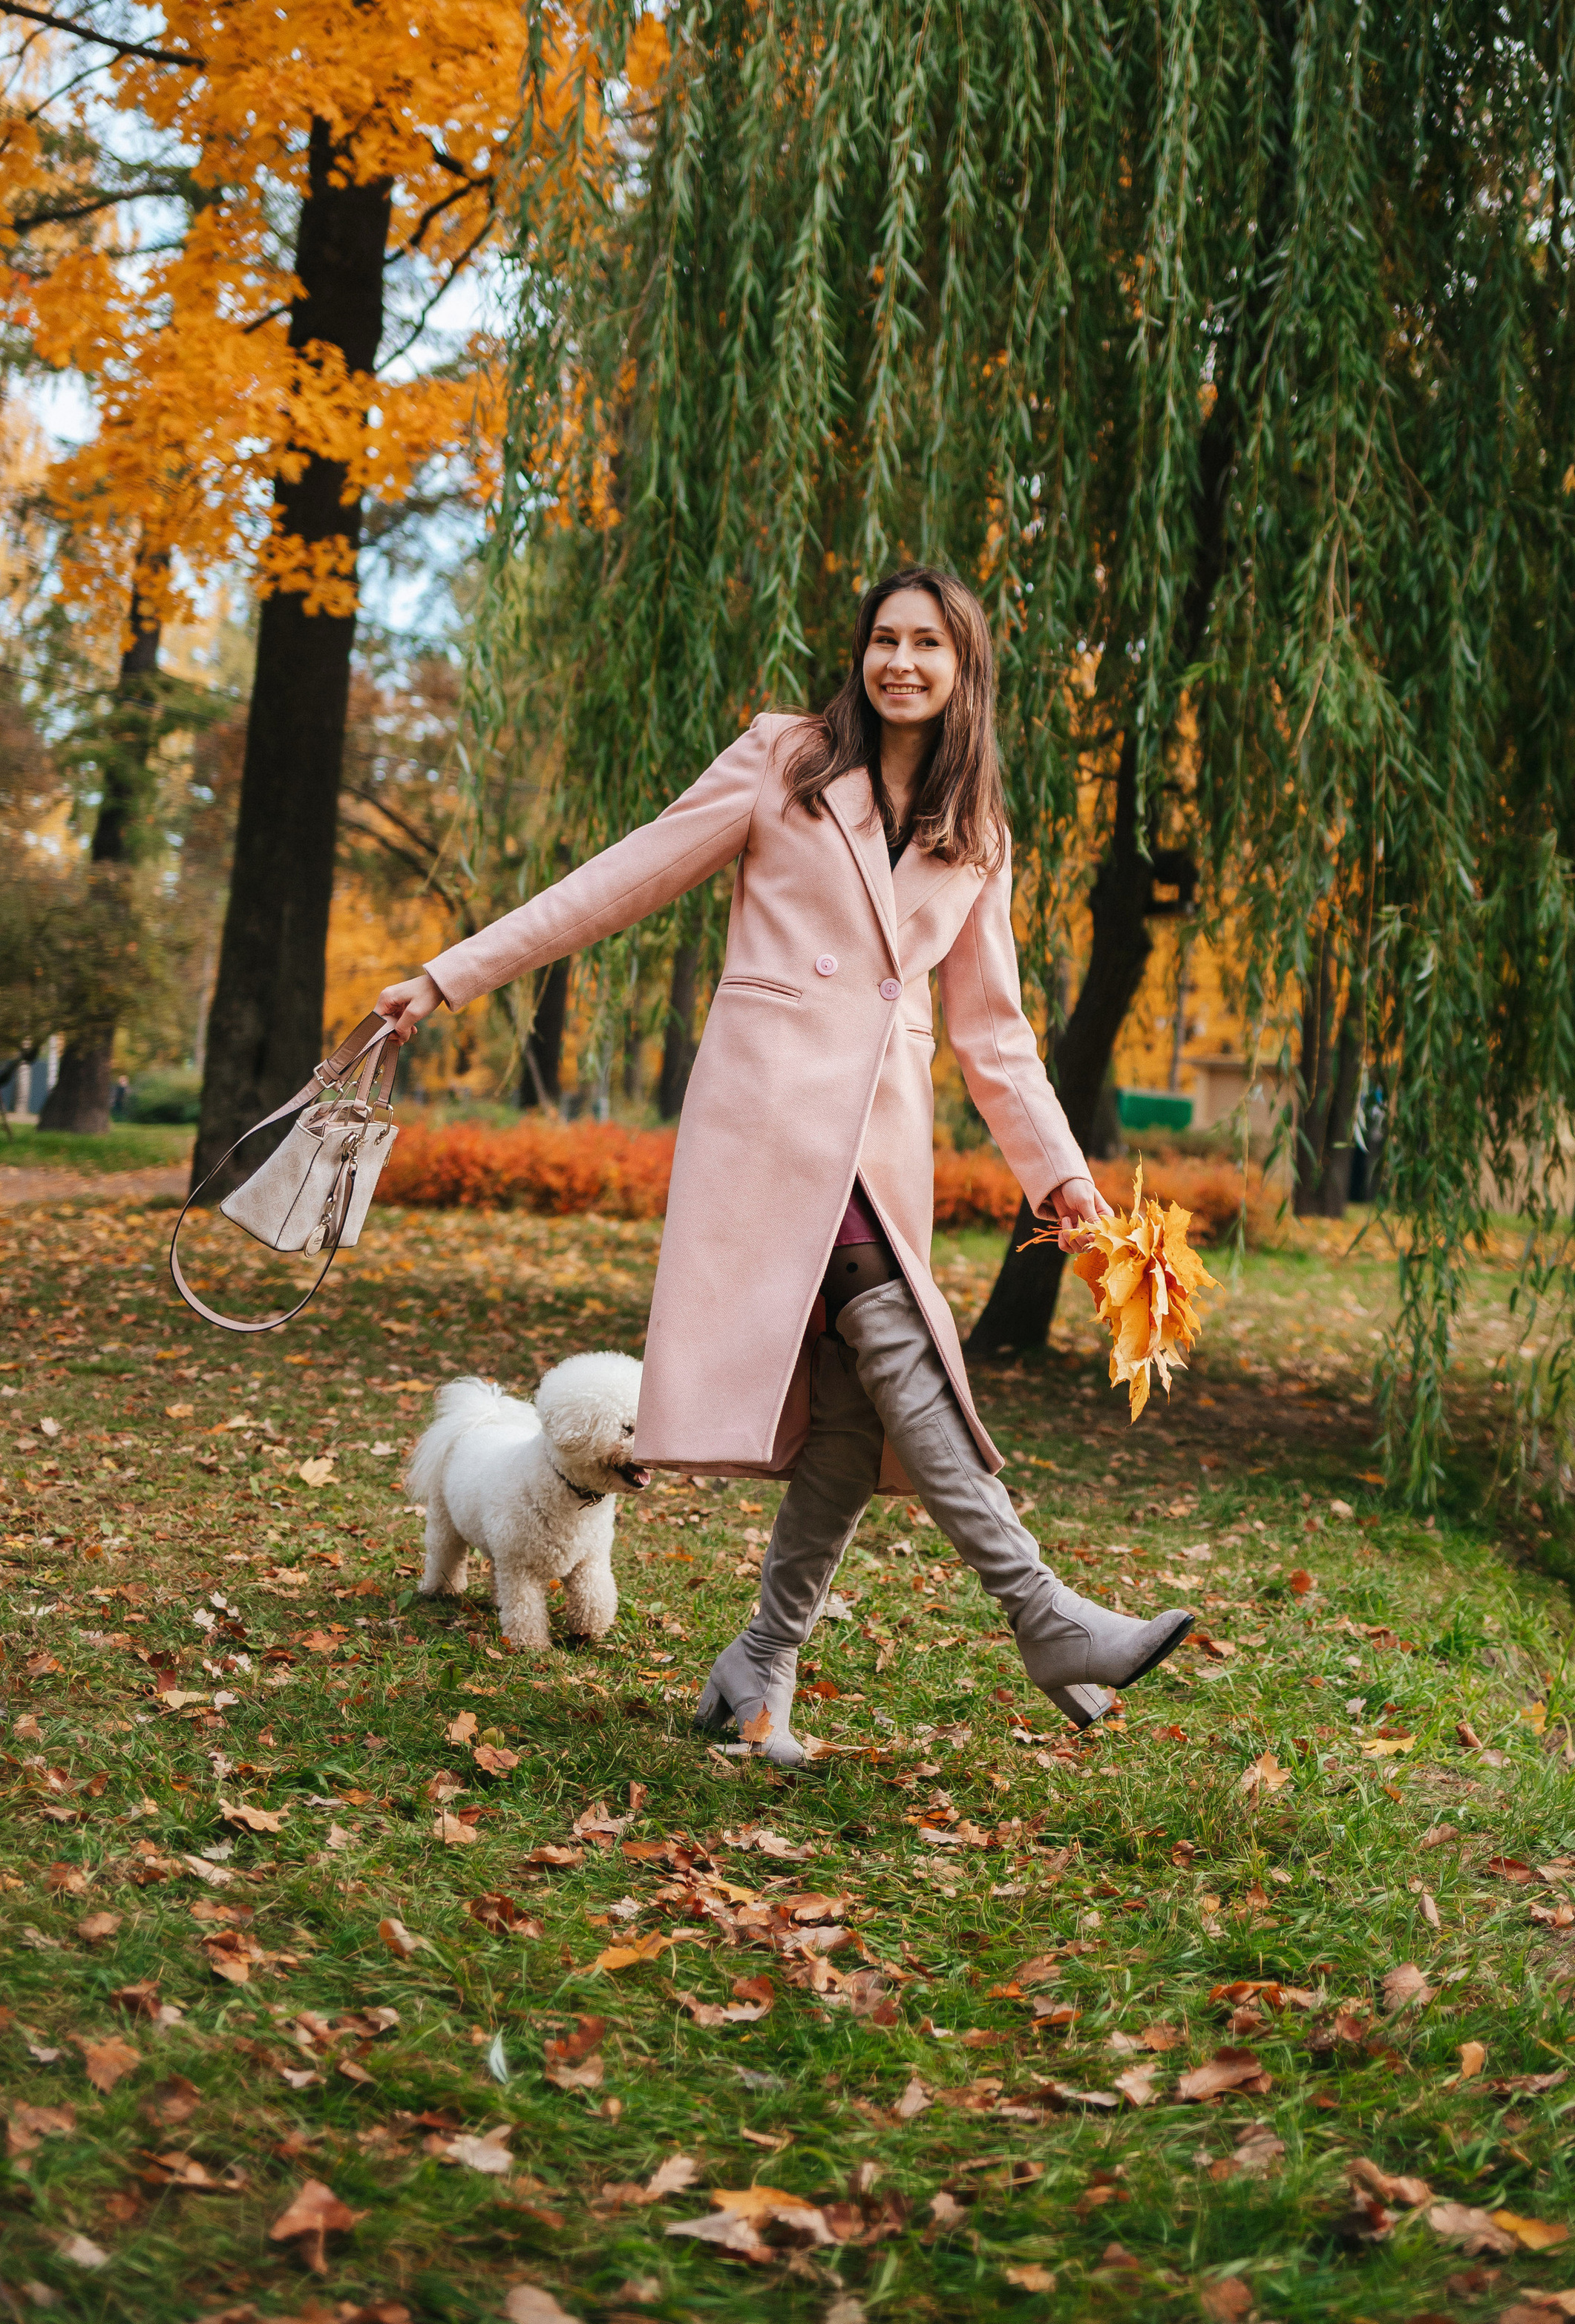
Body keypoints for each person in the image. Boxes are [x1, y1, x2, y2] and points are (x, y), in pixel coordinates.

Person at [376, 566, 1194, 1762]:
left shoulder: (977, 833)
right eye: (882, 640)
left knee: (857, 1424)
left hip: (879, 1144)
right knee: (906, 1345)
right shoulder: (784, 759)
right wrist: (451, 974)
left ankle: (757, 1667)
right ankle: (1044, 1615)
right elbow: (620, 878)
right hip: (768, 1131)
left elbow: (994, 1032)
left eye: (927, 645)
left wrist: (1061, 1179)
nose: (900, 662)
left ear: (963, 670)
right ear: (860, 655)